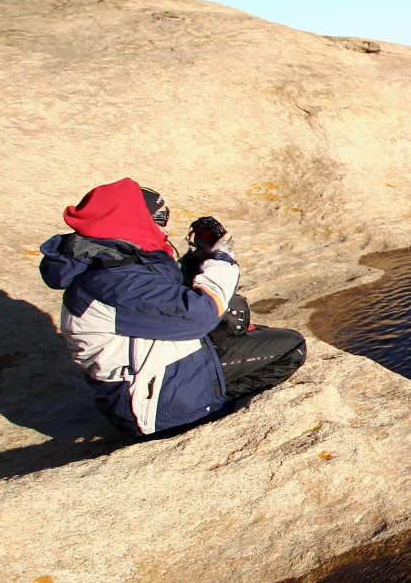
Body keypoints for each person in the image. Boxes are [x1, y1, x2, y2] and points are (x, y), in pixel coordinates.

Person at [39, 177, 306, 437]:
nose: (165, 228)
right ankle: (209, 409)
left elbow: (166, 299)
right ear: (131, 221)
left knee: (236, 314)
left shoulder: (116, 259)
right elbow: (199, 314)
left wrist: (197, 259)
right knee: (290, 348)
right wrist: (221, 260)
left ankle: (208, 391)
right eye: (158, 219)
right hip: (154, 404)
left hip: (160, 374)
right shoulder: (116, 280)